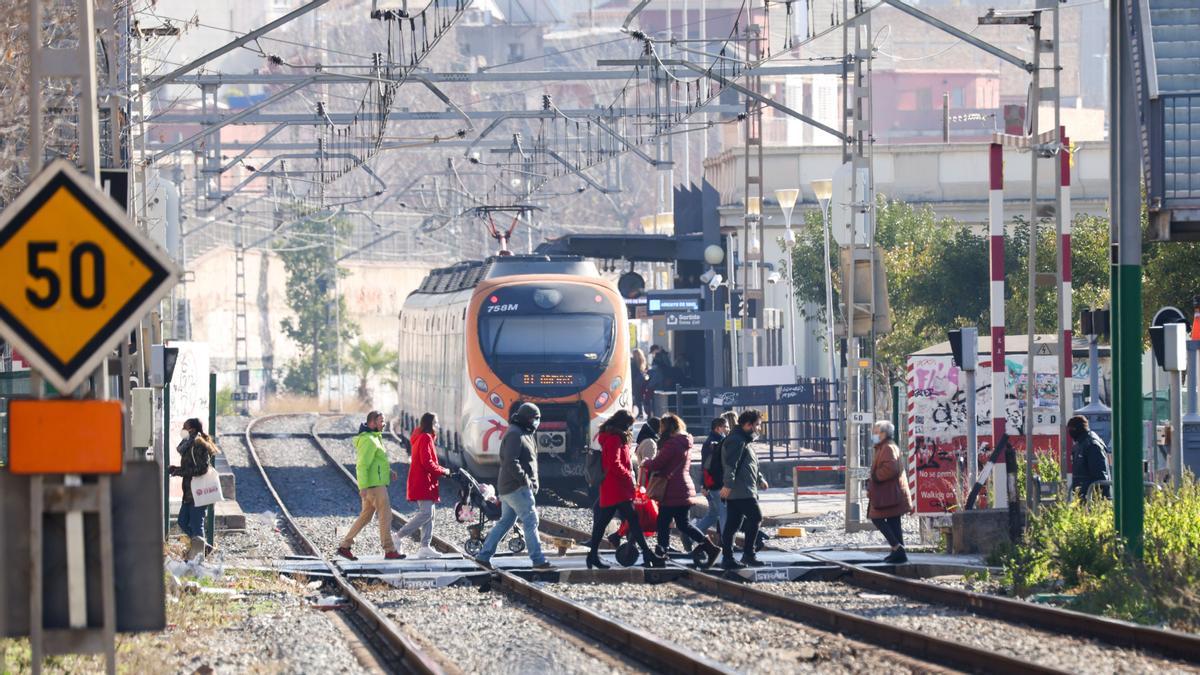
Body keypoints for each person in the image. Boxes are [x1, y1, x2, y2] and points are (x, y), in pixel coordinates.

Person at [475, 403, 554, 570]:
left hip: (510, 487)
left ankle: (483, 556)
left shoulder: (524, 432)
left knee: (505, 522)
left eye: (538, 418)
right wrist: (525, 480)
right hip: (516, 487)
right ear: (527, 418)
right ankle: (538, 560)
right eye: (535, 418)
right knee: (531, 520)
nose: (537, 422)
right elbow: (510, 461)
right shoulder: (515, 434)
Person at [587, 410, 667, 569]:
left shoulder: (612, 437)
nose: (631, 428)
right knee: (630, 520)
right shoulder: (615, 439)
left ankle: (593, 556)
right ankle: (646, 553)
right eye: (629, 424)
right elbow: (614, 463)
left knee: (618, 521)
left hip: (614, 488)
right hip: (617, 488)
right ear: (623, 423)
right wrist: (627, 476)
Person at [642, 414, 720, 568]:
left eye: (662, 427)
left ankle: (661, 552)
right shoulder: (684, 442)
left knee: (663, 522)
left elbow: (658, 463)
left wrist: (647, 462)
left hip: (672, 489)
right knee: (683, 524)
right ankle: (710, 548)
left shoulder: (672, 444)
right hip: (682, 487)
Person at [337, 411, 402, 561]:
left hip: (374, 484)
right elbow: (362, 465)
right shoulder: (369, 441)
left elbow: (376, 463)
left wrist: (388, 472)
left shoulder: (374, 438)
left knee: (365, 517)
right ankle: (390, 550)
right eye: (381, 421)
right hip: (374, 487)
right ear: (372, 423)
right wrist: (363, 487)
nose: (384, 424)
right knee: (386, 516)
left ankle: (344, 546)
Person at [392, 412, 451, 558]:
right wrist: (443, 471)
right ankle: (398, 537)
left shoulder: (423, 437)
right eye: (435, 422)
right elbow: (427, 462)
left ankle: (425, 546)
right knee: (426, 513)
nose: (437, 425)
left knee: (430, 514)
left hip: (424, 480)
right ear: (430, 424)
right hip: (422, 481)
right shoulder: (425, 438)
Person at [719, 409, 767, 570]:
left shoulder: (744, 440)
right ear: (748, 425)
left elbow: (750, 464)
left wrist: (760, 479)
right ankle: (748, 554)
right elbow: (731, 464)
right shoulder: (737, 440)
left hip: (743, 488)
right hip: (740, 489)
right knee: (756, 517)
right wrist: (728, 484)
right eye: (757, 425)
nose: (759, 429)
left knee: (733, 524)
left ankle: (728, 558)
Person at [169, 418, 218, 561]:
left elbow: (202, 468)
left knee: (197, 524)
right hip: (189, 492)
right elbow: (190, 467)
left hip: (198, 491)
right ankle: (204, 546)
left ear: (192, 429)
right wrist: (177, 469)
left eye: (185, 427)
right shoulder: (188, 444)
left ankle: (198, 559)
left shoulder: (198, 444)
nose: (182, 429)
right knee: (183, 521)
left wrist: (179, 471)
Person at [867, 420, 913, 564]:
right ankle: (899, 552)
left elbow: (891, 469)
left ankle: (896, 547)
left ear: (883, 434)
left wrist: (875, 476)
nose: (873, 434)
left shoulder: (887, 448)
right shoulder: (885, 447)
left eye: (876, 432)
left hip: (888, 493)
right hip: (891, 493)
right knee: (893, 521)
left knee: (876, 517)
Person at [692, 416, 730, 542]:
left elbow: (705, 466)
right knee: (724, 512)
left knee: (713, 515)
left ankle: (690, 537)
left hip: (712, 483)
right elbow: (708, 466)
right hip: (717, 484)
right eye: (726, 426)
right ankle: (727, 543)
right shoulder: (716, 444)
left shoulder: (712, 442)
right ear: (718, 428)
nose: (727, 429)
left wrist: (704, 484)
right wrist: (705, 485)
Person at [1067, 415, 1111, 500]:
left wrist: (1091, 495)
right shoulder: (1080, 444)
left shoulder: (1092, 445)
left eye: (1071, 429)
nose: (1070, 432)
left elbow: (1100, 476)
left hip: (1092, 499)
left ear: (1077, 429)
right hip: (1083, 496)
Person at [631, 348, 649, 418]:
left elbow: (632, 373)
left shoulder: (633, 363)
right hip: (641, 382)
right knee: (639, 398)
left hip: (635, 382)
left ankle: (638, 413)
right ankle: (641, 412)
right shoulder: (643, 361)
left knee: (635, 398)